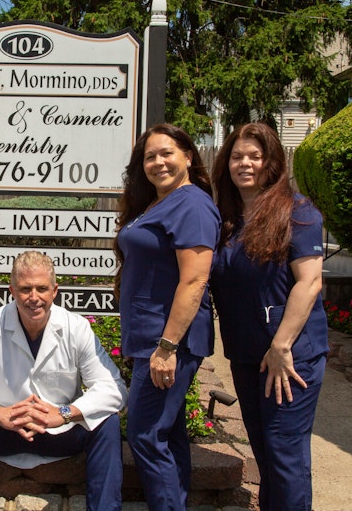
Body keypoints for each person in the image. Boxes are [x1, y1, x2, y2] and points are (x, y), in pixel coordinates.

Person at [0, 251, 127, 511]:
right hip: (2, 430)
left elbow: (114, 389)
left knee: (107, 423)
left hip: (57, 432)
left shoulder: (76, 327)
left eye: (42, 288)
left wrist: (64, 413)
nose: (34, 298)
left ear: (55, 290)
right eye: (25, 289)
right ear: (12, 290)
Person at [209, 122, 328, 511]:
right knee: (265, 451)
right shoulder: (225, 220)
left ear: (271, 162)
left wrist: (281, 345)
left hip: (290, 357)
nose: (245, 163)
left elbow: (309, 282)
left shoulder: (298, 212)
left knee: (284, 452)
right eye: (237, 156)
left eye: (254, 157)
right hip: (246, 355)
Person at [113, 123, 220, 510]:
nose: (158, 162)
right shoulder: (157, 204)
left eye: (167, 153)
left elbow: (194, 281)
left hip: (168, 342)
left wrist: (166, 347)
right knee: (168, 434)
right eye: (149, 156)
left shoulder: (191, 204)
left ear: (188, 156)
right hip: (150, 340)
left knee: (144, 434)